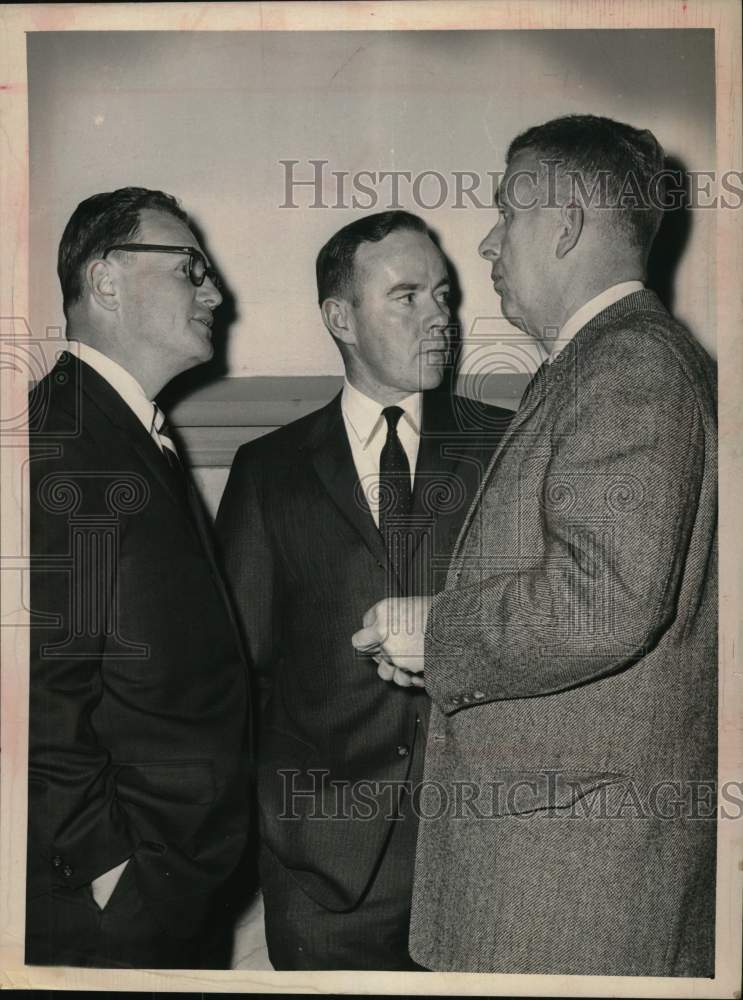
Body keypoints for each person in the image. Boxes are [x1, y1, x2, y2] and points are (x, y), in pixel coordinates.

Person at [353, 116, 718, 976]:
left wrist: (438, 631)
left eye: (504, 213)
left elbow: (602, 601)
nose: (486, 241)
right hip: (572, 872)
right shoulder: (617, 360)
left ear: (562, 225)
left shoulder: (629, 366)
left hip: (569, 890)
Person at [215, 210, 511, 970]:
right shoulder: (266, 470)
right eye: (406, 297)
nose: (437, 318)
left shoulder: (506, 443)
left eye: (442, 296)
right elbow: (236, 673)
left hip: (478, 856)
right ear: (339, 318)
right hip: (321, 866)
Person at [26, 187, 252, 969]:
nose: (216, 291)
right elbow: (37, 694)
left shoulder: (125, 432)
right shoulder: (64, 443)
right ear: (106, 280)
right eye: (190, 267)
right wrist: (104, 867)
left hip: (171, 880)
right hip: (115, 903)